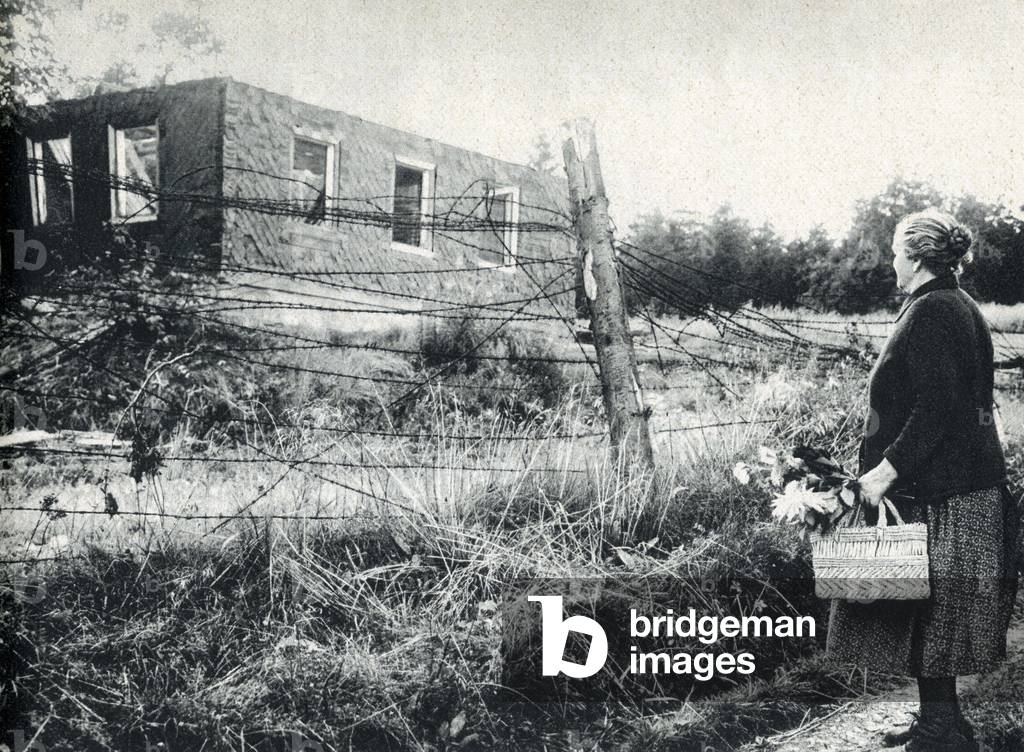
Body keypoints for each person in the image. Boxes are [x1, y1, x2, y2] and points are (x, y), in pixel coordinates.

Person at [825, 208, 1020, 752]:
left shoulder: (935, 310)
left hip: (950, 488)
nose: (890, 259)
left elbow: (940, 406)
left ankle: (941, 732)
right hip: (948, 483)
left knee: (938, 612)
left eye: (894, 250)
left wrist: (885, 472)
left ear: (914, 256)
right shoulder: (946, 304)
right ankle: (944, 724)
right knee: (933, 610)